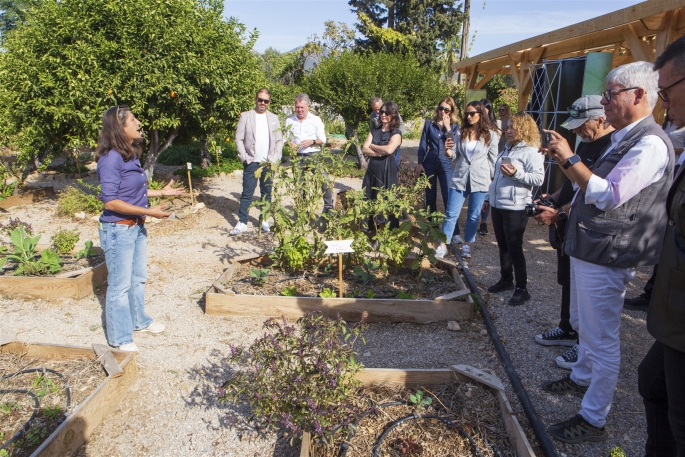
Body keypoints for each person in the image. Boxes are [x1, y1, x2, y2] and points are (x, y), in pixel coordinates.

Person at [541, 61, 673, 444]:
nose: (604, 101)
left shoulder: (648, 144)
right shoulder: (624, 137)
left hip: (608, 253)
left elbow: (609, 195)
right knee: (583, 323)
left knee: (601, 339)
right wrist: (566, 172)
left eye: (611, 93)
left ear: (638, 95)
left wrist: (569, 157)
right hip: (591, 248)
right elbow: (588, 188)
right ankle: (581, 378)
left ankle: (594, 417)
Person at [532, 95, 614, 370]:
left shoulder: (611, 147)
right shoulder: (587, 142)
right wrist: (553, 198)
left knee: (586, 293)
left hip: (586, 226)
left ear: (600, 119)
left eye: (582, 124)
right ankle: (567, 328)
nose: (577, 130)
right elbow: (573, 183)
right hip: (569, 223)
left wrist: (560, 212)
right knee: (568, 279)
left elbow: (593, 191)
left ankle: (583, 342)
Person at [96, 105, 185, 352]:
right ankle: (120, 338)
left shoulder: (129, 154)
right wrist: (150, 212)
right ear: (119, 127)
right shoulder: (110, 158)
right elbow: (110, 201)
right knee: (120, 285)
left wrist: (160, 193)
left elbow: (134, 191)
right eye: (133, 119)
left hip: (135, 227)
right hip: (118, 229)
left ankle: (138, 321)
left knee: (137, 279)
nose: (138, 123)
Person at [638, 34, 685, 457]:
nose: (664, 104)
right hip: (674, 314)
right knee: (652, 385)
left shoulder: (653, 140)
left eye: (668, 92)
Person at [486, 112, 544, 306]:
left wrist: (516, 173)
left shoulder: (530, 151)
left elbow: (538, 179)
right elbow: (496, 178)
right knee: (502, 245)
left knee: (515, 248)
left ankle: (522, 288)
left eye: (513, 127)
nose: (508, 130)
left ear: (524, 129)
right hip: (498, 204)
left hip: (516, 207)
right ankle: (506, 279)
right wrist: (488, 197)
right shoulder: (506, 149)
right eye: (508, 126)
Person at [435, 101, 498, 259]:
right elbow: (454, 155)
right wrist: (447, 150)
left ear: (480, 114)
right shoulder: (460, 132)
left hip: (480, 179)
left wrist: (490, 180)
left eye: (472, 114)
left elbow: (493, 160)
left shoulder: (491, 135)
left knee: (473, 215)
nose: (469, 117)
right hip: (460, 177)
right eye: (467, 114)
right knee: (451, 213)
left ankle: (467, 244)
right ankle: (443, 244)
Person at [232, 88, 283, 235]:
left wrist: (274, 158)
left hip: (268, 163)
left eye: (265, 101)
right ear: (256, 99)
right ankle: (242, 222)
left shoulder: (274, 118)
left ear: (269, 102)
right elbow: (239, 139)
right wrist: (245, 158)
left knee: (266, 193)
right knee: (247, 193)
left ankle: (264, 220)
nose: (262, 103)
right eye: (260, 100)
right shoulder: (246, 116)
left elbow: (279, 140)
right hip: (251, 162)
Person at [417, 97, 460, 240]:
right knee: (430, 196)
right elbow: (423, 144)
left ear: (451, 111)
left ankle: (453, 230)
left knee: (449, 196)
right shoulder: (430, 124)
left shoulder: (454, 126)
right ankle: (432, 227)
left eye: (446, 109)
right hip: (430, 160)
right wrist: (420, 162)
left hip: (446, 162)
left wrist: (448, 128)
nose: (443, 112)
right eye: (441, 108)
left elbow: (453, 145)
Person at [284, 93, 332, 214]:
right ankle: (302, 212)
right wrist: (289, 143)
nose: (299, 110)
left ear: (308, 106)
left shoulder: (315, 120)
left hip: (313, 154)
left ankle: (328, 208)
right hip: (298, 157)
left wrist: (312, 142)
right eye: (297, 107)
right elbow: (285, 138)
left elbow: (323, 140)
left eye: (302, 107)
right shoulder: (290, 120)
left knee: (324, 180)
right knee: (300, 185)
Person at [362, 101, 402, 230]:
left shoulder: (396, 133)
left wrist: (373, 146)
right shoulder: (374, 131)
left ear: (393, 114)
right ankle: (371, 231)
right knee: (370, 198)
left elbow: (390, 150)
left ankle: (386, 234)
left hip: (387, 173)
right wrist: (380, 153)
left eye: (386, 112)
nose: (383, 114)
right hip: (372, 171)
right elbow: (364, 149)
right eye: (381, 112)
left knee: (385, 201)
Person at [370, 97, 405, 166]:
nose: (377, 112)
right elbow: (372, 129)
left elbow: (401, 125)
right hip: (380, 143)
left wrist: (396, 137)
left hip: (391, 141)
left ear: (382, 104)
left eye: (378, 109)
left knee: (393, 163)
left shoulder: (391, 112)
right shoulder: (372, 115)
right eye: (375, 110)